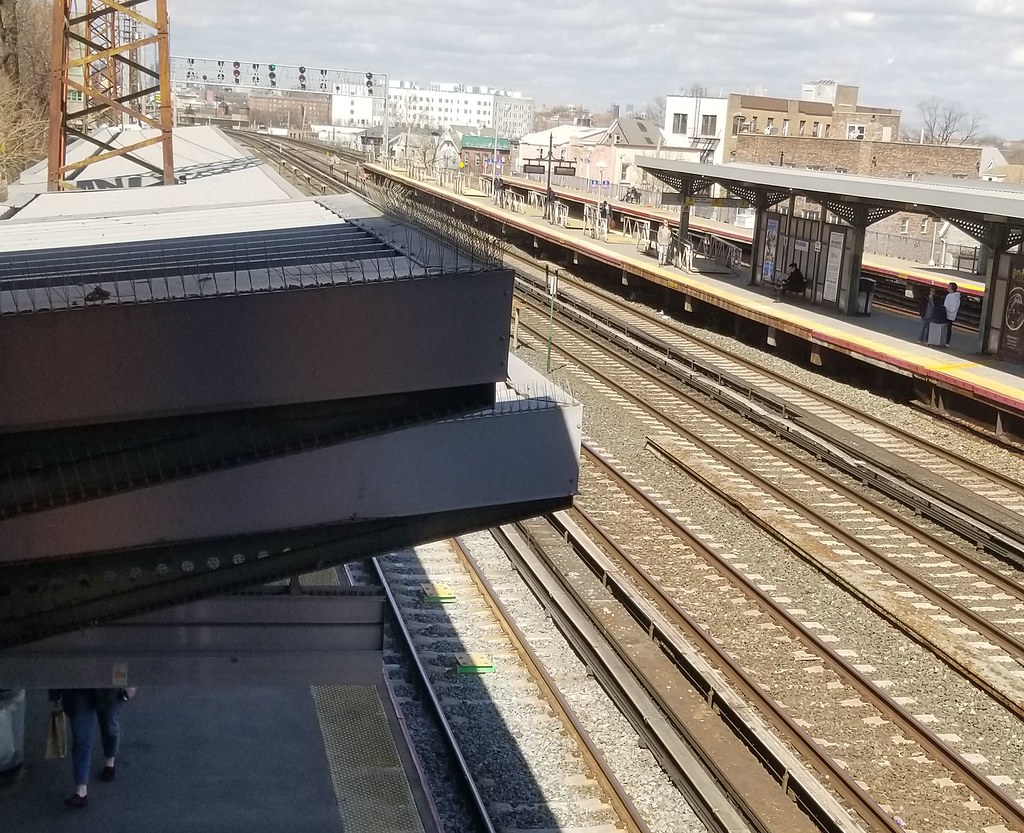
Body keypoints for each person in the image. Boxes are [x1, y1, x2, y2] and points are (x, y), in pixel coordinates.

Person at [49, 688, 128, 808]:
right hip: (77, 687)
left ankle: (109, 761)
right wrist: (55, 691)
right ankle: (81, 791)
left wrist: (131, 683)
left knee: (109, 727)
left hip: (109, 685)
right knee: (81, 738)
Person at [942, 282, 961, 348]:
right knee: (944, 328)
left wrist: (947, 310)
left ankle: (947, 342)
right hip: (945, 314)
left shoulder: (956, 298)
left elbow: (954, 308)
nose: (947, 288)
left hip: (950, 316)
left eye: (949, 287)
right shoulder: (948, 296)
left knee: (948, 329)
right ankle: (942, 340)